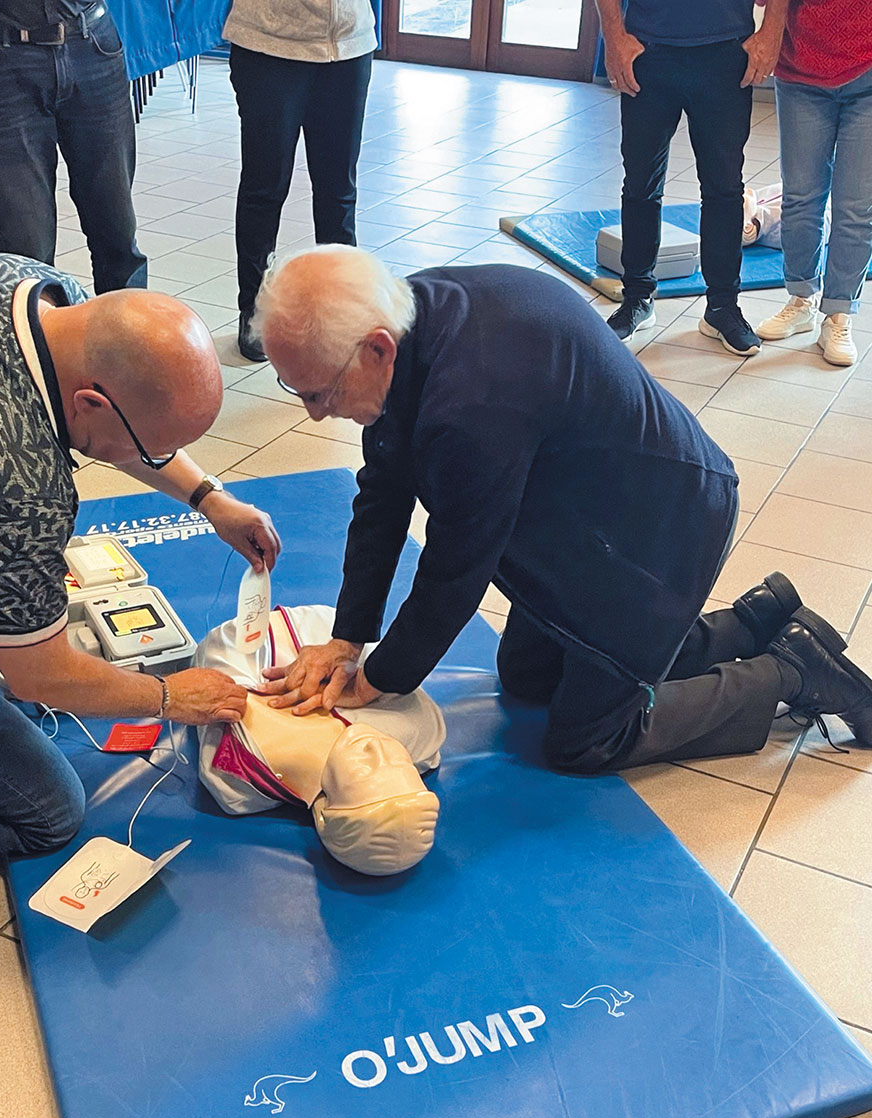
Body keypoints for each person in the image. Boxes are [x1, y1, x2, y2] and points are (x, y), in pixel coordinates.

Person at [251, 247, 872, 774]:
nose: (313, 413)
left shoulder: (471, 401)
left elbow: (456, 566)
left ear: (377, 349)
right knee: (527, 677)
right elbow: (383, 491)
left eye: (319, 392)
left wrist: (378, 677)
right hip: (587, 507)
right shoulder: (405, 315)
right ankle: (755, 622)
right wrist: (348, 636)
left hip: (657, 531)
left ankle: (790, 670)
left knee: (587, 740)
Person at [0, 254, 281, 856]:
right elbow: (39, 674)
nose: (162, 459)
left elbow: (119, 412)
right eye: (157, 448)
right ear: (90, 404)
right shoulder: (8, 482)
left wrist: (208, 496)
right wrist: (171, 697)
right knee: (49, 815)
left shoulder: (27, 286)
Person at [595, 0, 789, 355]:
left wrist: (771, 30)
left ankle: (722, 307)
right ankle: (637, 296)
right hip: (647, 50)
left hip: (726, 51)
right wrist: (613, 36)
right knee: (640, 183)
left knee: (724, 188)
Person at [195, 604, 444, 874]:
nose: (377, 747)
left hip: (251, 636)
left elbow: (218, 658)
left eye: (368, 771)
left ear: (323, 814)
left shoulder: (242, 776)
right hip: (336, 625)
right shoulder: (422, 734)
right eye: (402, 766)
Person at [0, 0, 146, 293]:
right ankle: (38, 336)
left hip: (90, 39)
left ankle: (126, 337)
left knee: (117, 234)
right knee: (27, 249)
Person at [222, 0, 377, 362]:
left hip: (348, 45)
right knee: (265, 188)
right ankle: (255, 312)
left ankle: (342, 312)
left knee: (338, 192)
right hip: (269, 44)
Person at [755, 0, 872, 368]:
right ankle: (802, 298)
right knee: (802, 198)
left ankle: (839, 313)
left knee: (855, 206)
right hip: (800, 69)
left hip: (867, 70)